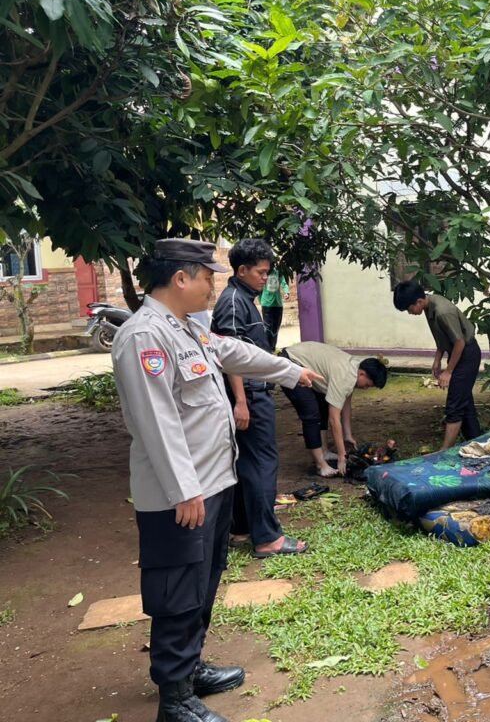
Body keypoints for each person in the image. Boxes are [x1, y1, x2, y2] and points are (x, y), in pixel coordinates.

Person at [111, 239, 322, 722]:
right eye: (207, 277)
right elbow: (156, 421)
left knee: (202, 583)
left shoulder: (188, 328)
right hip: (181, 496)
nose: (212, 286)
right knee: (177, 594)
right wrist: (184, 489)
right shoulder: (145, 337)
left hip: (213, 485)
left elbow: (234, 352)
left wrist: (291, 372)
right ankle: (175, 702)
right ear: (180, 278)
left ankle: (189, 670)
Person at [211, 240, 305, 559]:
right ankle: (268, 539)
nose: (265, 278)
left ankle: (241, 528)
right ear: (242, 270)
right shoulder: (233, 302)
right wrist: (241, 401)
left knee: (246, 463)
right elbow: (229, 356)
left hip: (251, 393)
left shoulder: (243, 299)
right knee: (263, 462)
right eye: (261, 272)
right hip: (250, 395)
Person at [393, 281, 484, 449]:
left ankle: (444, 451)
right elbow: (442, 336)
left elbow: (459, 342)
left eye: (409, 309)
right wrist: (437, 359)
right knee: (464, 402)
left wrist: (448, 372)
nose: (410, 313)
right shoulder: (429, 307)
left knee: (454, 405)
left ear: (419, 301)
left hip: (467, 354)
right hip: (457, 352)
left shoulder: (442, 312)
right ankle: (476, 444)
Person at [279, 342, 387, 477]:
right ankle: (320, 465)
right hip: (291, 363)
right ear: (362, 374)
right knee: (311, 414)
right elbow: (334, 419)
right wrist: (342, 455)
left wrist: (348, 436)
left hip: (304, 363)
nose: (365, 388)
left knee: (324, 406)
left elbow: (345, 405)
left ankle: (324, 452)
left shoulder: (355, 368)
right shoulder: (345, 377)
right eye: (367, 385)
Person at [260, 268, 290, 352]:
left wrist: (286, 292)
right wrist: (261, 300)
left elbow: (283, 282)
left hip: (277, 303)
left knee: (275, 327)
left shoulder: (278, 271)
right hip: (266, 303)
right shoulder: (264, 272)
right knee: (267, 327)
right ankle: (267, 348)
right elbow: (260, 288)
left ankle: (272, 347)